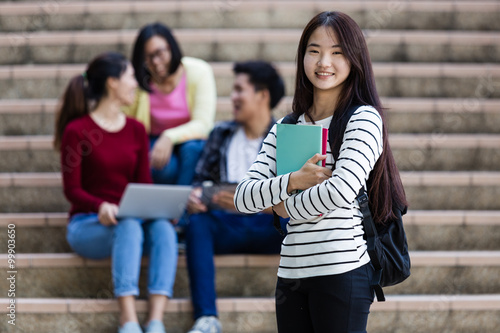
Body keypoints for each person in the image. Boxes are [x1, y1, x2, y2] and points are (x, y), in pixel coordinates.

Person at [234, 12, 408, 333]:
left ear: (354, 59)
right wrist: (293, 181)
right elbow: (243, 197)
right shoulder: (285, 127)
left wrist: (284, 206)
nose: (323, 61)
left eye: (337, 52)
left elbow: (341, 190)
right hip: (291, 274)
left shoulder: (363, 119)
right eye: (314, 51)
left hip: (342, 271)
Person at [54, 52, 177, 333]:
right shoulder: (77, 131)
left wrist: (161, 209)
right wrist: (100, 206)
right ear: (112, 82)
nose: (137, 83)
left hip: (129, 225)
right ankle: (128, 319)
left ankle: (156, 321)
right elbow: (72, 190)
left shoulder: (136, 129)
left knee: (163, 229)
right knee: (130, 225)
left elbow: (143, 185)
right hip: (88, 225)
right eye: (131, 76)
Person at [184, 61, 287, 333]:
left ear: (262, 95)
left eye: (240, 90)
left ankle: (306, 312)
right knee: (197, 224)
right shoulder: (222, 133)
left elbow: (297, 198)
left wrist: (248, 200)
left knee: (300, 223)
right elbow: (199, 183)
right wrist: (197, 199)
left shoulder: (286, 136)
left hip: (270, 227)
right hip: (226, 224)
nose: (233, 98)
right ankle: (206, 318)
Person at [124, 22, 217, 185]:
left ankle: (182, 206)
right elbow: (128, 120)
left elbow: (203, 124)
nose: (155, 62)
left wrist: (169, 137)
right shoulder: (140, 82)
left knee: (193, 150)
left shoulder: (198, 71)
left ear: (171, 47)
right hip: (153, 138)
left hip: (190, 139)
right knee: (164, 168)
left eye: (160, 53)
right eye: (148, 56)